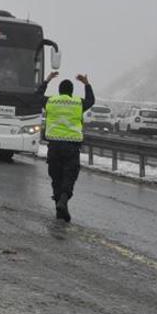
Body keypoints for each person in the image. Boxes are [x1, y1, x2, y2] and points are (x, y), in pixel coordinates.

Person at [38, 72, 95, 222]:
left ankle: (60, 206)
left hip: (54, 146)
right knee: (69, 176)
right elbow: (91, 100)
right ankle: (63, 200)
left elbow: (37, 96)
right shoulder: (78, 103)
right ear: (71, 91)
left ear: (59, 91)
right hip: (71, 146)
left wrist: (47, 80)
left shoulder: (51, 101)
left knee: (56, 177)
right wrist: (86, 84)